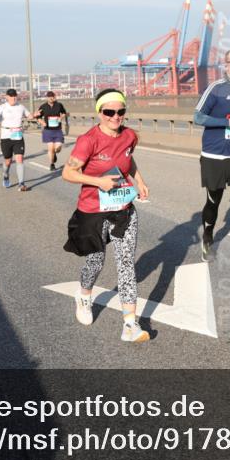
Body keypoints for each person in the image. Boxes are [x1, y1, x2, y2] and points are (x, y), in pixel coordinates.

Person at [63, 89, 150, 343]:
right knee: (95, 262)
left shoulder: (130, 135)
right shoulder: (88, 140)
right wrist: (97, 181)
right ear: (99, 113)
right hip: (93, 213)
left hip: (123, 211)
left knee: (125, 265)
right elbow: (68, 174)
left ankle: (130, 324)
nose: (115, 117)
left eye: (120, 111)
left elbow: (127, 159)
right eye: (109, 112)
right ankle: (84, 296)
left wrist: (140, 181)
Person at [194, 47, 230, 267]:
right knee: (214, 202)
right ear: (225, 65)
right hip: (214, 156)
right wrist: (226, 123)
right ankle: (208, 239)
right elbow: (198, 116)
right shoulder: (216, 89)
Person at [0, 89, 31, 191]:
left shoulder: (21, 107)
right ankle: (5, 175)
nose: (13, 98)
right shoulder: (2, 107)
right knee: (8, 161)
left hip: (18, 136)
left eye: (15, 96)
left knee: (19, 159)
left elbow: (29, 115)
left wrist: (35, 115)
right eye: (11, 96)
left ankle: (21, 183)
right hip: (6, 137)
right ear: (6, 97)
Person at [35, 90, 69, 171]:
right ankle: (52, 164)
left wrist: (61, 118)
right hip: (48, 130)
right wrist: (42, 122)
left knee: (58, 148)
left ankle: (54, 153)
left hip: (57, 130)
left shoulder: (59, 105)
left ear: (54, 97)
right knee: (50, 149)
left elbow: (64, 113)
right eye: (49, 97)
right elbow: (38, 116)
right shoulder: (43, 106)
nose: (51, 98)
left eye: (52, 96)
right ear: (47, 98)